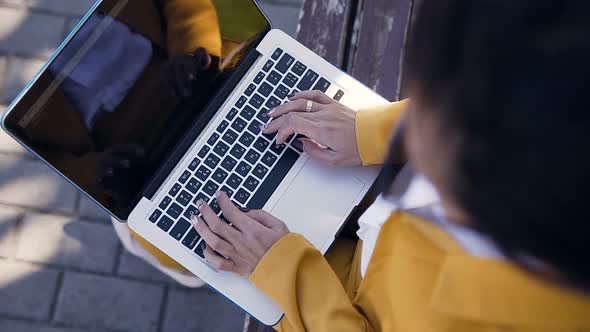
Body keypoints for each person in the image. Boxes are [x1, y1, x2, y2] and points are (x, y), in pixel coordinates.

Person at [188, 0, 590, 331]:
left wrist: (283, 271)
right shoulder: (551, 141)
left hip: (341, 298)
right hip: (377, 241)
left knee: (170, 238)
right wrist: (369, 131)